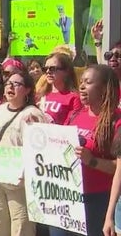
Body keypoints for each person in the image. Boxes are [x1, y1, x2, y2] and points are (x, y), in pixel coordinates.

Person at [53, 65, 120, 236]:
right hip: (66, 197)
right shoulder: (75, 115)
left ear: (104, 88)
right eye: (81, 82)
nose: (81, 86)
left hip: (96, 201)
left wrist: (92, 161)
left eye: (88, 82)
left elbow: (117, 167)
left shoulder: (116, 121)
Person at [0, 71, 48, 236]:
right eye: (8, 83)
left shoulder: (33, 114)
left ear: (27, 90)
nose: (10, 86)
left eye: (17, 84)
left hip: (20, 182)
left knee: (21, 227)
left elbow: (41, 150)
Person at [35, 53, 81, 125]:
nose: (48, 72)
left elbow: (71, 126)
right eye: (45, 69)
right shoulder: (39, 95)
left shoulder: (74, 98)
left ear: (66, 71)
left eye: (52, 68)